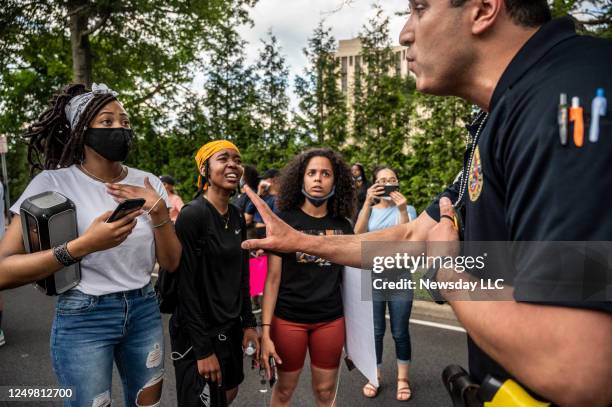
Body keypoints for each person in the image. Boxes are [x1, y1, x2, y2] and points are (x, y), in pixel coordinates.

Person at [240, 2, 612, 406]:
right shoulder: (505, 114)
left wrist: (447, 272)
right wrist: (299, 241)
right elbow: (413, 235)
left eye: (419, 8)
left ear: (484, 9)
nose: (404, 33)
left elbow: (576, 364)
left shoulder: (565, 93)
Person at [0, 83, 181, 406]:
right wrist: (83, 245)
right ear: (81, 131)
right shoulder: (52, 183)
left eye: (125, 122)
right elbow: (3, 270)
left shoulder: (148, 182)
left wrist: (159, 212)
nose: (120, 129)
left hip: (143, 311)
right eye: (107, 122)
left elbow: (170, 263)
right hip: (85, 314)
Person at [259, 148, 355, 407]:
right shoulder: (283, 221)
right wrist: (265, 332)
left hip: (330, 321)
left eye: (325, 173)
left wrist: (359, 339)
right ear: (301, 178)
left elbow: (352, 283)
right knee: (284, 391)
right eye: (311, 173)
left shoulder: (344, 226)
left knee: (325, 393)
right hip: (288, 320)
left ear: (335, 181)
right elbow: (272, 279)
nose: (318, 179)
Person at [170, 140, 259, 406]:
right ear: (205, 170)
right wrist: (202, 350)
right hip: (198, 331)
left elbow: (243, 274)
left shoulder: (236, 215)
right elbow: (185, 287)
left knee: (229, 392)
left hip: (230, 327)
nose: (233, 164)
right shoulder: (192, 215)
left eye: (237, 159)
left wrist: (248, 324)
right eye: (223, 158)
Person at [354, 166, 417, 401]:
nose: (388, 183)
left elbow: (408, 239)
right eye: (382, 180)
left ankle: (403, 379)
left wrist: (402, 210)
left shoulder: (408, 208)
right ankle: (374, 376)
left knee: (400, 332)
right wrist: (366, 204)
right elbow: (357, 235)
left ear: (398, 184)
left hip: (400, 276)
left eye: (392, 179)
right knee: (375, 332)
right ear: (374, 185)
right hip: (373, 276)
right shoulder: (369, 211)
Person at [245, 169, 279, 238]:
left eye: (264, 179)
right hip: (255, 230)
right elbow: (249, 211)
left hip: (266, 232)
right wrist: (258, 194)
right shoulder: (263, 196)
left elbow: (276, 217)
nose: (261, 182)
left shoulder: (277, 198)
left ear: (273, 180)